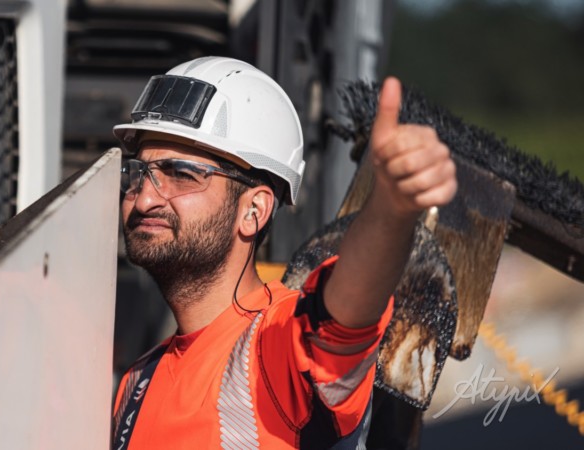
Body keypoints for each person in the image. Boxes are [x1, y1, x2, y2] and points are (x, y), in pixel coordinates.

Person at [111, 56, 456, 449]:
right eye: (138, 173)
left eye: (181, 174)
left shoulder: (280, 344)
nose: (144, 199)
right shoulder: (136, 383)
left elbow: (345, 313)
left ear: (253, 211)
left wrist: (391, 207)